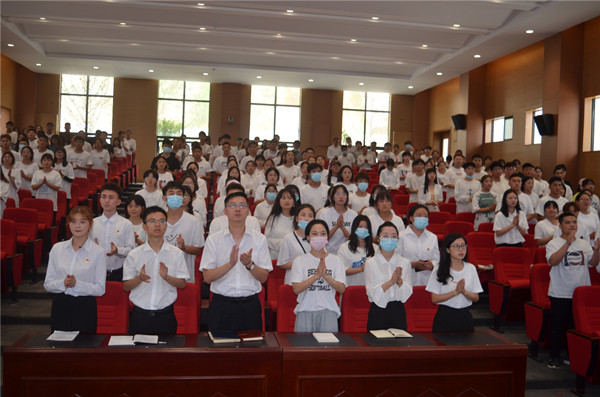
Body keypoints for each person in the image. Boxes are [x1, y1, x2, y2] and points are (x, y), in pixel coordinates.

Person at [201, 191, 272, 332]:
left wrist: (250, 265)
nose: (238, 209)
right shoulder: (214, 240)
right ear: (225, 211)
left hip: (250, 305)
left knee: (251, 350)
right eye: (232, 205)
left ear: (248, 211)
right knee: (221, 351)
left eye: (242, 205)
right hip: (222, 305)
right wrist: (229, 265)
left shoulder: (259, 239)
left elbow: (264, 277)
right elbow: (207, 278)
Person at [545, 212, 600, 368]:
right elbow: (553, 261)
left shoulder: (583, 244)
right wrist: (567, 244)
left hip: (580, 293)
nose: (572, 225)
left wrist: (596, 250)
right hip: (560, 291)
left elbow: (594, 264)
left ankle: (572, 356)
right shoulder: (553, 243)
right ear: (561, 226)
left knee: (575, 327)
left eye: (574, 222)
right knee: (557, 326)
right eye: (568, 222)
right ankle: (554, 357)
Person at [123, 206, 188, 335]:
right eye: (152, 221)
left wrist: (167, 277)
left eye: (162, 221)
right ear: (144, 227)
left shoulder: (176, 253)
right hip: (139, 316)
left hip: (166, 316)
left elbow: (182, 284)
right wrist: (139, 279)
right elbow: (126, 287)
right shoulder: (134, 254)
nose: (157, 225)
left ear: (166, 226)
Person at [44, 206, 106, 333]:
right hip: (60, 304)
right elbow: (48, 284)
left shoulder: (98, 252)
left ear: (90, 224)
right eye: (73, 222)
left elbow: (100, 289)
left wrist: (77, 285)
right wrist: (63, 283)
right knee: (59, 349)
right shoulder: (57, 248)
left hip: (85, 306)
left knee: (84, 349)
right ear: (68, 224)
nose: (77, 226)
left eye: (82, 222)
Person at [291, 219, 347, 332]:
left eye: (323, 234)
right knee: (303, 348)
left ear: (327, 237)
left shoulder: (336, 260)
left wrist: (326, 276)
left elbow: (342, 289)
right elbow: (296, 289)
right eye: (314, 234)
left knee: (327, 348)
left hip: (329, 311)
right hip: (305, 310)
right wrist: (316, 276)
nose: (319, 237)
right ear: (308, 237)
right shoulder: (300, 260)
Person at [426, 233, 482, 332]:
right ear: (447, 250)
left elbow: (476, 297)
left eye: (463, 246)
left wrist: (464, 292)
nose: (461, 249)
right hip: (445, 316)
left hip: (464, 316)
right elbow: (434, 299)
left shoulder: (471, 268)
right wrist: (455, 292)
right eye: (456, 246)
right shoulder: (439, 269)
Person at [364, 221, 412, 331]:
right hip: (378, 310)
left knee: (399, 346)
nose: (390, 239)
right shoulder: (371, 263)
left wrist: (399, 281)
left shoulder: (405, 262)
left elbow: (407, 293)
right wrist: (391, 282)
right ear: (378, 239)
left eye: (393, 236)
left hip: (398, 310)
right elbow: (370, 292)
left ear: (398, 240)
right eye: (385, 236)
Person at [91, 183, 135, 281]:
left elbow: (131, 250)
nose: (106, 201)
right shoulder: (92, 223)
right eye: (104, 197)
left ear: (118, 202)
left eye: (111, 197)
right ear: (100, 199)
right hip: (95, 272)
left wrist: (117, 251)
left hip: (118, 272)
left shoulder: (126, 224)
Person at [162, 181, 204, 283]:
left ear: (183, 198)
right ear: (164, 198)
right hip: (161, 274)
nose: (175, 197)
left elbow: (198, 250)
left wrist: (184, 247)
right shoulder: (158, 220)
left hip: (185, 276)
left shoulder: (194, 221)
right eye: (171, 194)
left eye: (179, 194)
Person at [399, 204, 440, 286]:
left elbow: (436, 260)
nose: (422, 218)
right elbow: (396, 259)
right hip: (406, 280)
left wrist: (432, 265)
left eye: (425, 216)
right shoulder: (401, 236)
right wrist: (413, 264)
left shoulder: (433, 237)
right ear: (411, 218)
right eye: (419, 215)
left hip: (427, 281)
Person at [277, 204, 315, 285]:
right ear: (297, 218)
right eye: (303, 215)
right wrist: (301, 262)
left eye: (310, 216)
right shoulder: (288, 238)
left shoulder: (318, 238)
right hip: (294, 282)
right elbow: (282, 264)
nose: (307, 219)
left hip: (313, 282)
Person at [317, 184, 358, 254]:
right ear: (332, 197)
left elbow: (354, 240)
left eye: (344, 194)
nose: (341, 196)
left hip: (348, 253)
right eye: (338, 194)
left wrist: (342, 227)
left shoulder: (354, 214)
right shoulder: (324, 214)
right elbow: (322, 239)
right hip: (329, 252)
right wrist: (336, 226)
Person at [337, 215, 376, 286]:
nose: (363, 229)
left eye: (366, 227)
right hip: (351, 289)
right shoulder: (344, 247)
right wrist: (361, 269)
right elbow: (341, 270)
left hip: (370, 290)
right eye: (360, 227)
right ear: (354, 228)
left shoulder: (376, 248)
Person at [265, 187, 296, 260]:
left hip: (292, 258)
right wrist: (283, 243)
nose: (286, 200)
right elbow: (266, 239)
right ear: (278, 201)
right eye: (283, 198)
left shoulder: (297, 219)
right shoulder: (273, 218)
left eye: (289, 198)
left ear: (294, 201)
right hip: (274, 257)